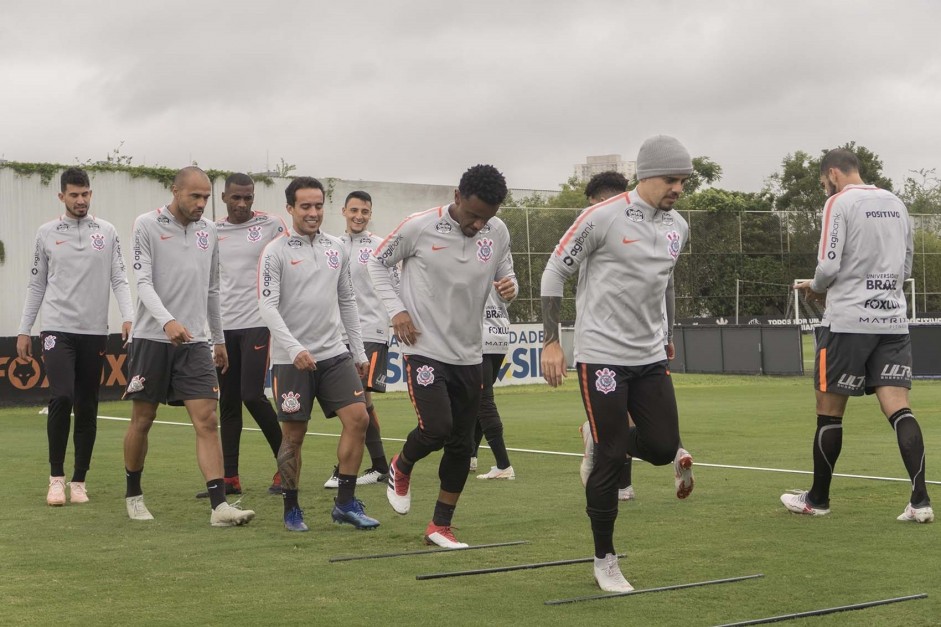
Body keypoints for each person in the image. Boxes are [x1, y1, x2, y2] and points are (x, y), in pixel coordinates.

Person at [541, 136, 696, 592]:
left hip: (649, 357)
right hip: (602, 356)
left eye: (683, 182)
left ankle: (597, 436)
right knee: (612, 456)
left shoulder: (679, 227)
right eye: (671, 180)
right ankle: (605, 558)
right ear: (646, 175)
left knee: (664, 447)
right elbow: (554, 271)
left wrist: (666, 335)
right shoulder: (601, 217)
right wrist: (552, 341)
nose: (678, 189)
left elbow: (665, 282)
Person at [369, 164, 517, 548]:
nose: (478, 224)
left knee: (462, 444)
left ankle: (440, 525)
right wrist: (396, 310)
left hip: (470, 351)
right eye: (472, 215)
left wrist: (509, 286)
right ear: (456, 196)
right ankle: (400, 465)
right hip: (425, 347)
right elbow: (376, 263)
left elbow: (506, 272)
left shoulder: (496, 231)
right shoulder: (418, 226)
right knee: (436, 428)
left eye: (487, 217)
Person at [782, 148, 933, 524]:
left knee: (829, 413)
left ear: (833, 173)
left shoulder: (838, 202)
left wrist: (816, 287)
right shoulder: (896, 202)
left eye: (822, 181)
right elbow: (907, 263)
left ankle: (818, 499)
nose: (824, 187)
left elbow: (828, 265)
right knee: (900, 410)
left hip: (848, 323)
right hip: (893, 322)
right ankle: (920, 501)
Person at [122, 166, 255, 527]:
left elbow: (213, 289)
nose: (201, 204)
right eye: (194, 196)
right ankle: (133, 494)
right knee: (143, 419)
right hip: (153, 337)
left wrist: (219, 338)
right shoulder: (146, 224)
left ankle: (218, 507)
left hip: (196, 340)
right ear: (175, 190)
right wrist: (167, 321)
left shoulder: (209, 232)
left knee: (207, 420)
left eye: (206, 198)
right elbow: (143, 282)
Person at [258, 177, 379, 532]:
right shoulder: (276, 251)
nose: (313, 213)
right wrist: (294, 349)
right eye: (305, 206)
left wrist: (357, 351)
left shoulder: (335, 248)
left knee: (359, 419)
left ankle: (344, 503)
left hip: (334, 353)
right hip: (291, 358)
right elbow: (266, 306)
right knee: (294, 435)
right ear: (291, 209)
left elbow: (347, 301)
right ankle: (291, 507)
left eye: (318, 206)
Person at [17, 167, 134, 506]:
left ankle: (79, 481)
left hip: (94, 331)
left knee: (87, 405)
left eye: (85, 194)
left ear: (90, 194)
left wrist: (128, 316)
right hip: (56, 328)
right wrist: (25, 328)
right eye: (74, 195)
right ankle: (56, 479)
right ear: (61, 197)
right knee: (62, 397)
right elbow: (37, 283)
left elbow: (119, 278)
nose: (80, 200)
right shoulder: (47, 233)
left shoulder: (107, 232)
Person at [575, 171, 683, 502]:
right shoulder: (593, 227)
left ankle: (629, 461)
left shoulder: (663, 225)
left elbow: (668, 285)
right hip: (605, 345)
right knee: (618, 418)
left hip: (649, 341)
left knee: (638, 422)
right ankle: (620, 484)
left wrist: (668, 332)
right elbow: (561, 270)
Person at [194, 173, 288, 499]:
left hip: (257, 322)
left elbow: (289, 260)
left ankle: (287, 467)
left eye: (248, 197)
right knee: (229, 403)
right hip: (224, 327)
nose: (242, 204)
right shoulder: (210, 231)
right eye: (236, 198)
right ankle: (229, 477)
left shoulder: (271, 225)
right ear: (224, 198)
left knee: (252, 395)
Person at [323, 191, 396, 489]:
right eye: (354, 210)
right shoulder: (333, 246)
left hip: (371, 332)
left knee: (357, 400)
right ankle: (378, 466)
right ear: (343, 211)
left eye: (364, 211)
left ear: (370, 214)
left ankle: (355, 467)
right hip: (338, 336)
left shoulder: (380, 246)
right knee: (359, 402)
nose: (359, 216)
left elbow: (397, 285)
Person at [472, 287, 515, 480]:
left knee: (482, 401)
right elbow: (511, 291)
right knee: (478, 399)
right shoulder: (501, 258)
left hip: (479, 337)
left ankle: (503, 464)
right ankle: (471, 456)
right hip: (499, 333)